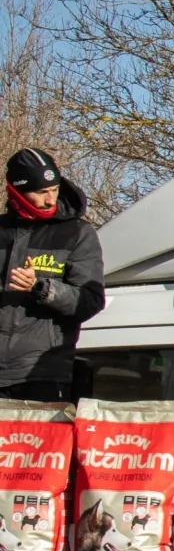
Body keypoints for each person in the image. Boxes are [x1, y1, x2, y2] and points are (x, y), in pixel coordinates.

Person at [0, 148, 103, 402]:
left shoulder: (77, 232)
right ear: (17, 192)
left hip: (41, 374)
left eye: (54, 189)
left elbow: (90, 299)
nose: (50, 200)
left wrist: (42, 288)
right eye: (42, 192)